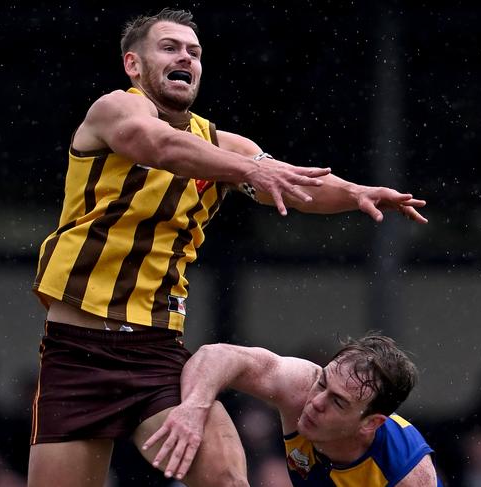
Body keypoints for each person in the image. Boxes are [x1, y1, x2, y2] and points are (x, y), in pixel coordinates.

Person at [28, 7, 428, 487]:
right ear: (134, 64)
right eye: (171, 48)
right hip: (77, 352)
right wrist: (250, 169)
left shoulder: (223, 146)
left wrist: (354, 194)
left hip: (157, 352)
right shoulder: (116, 108)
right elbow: (156, 144)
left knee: (225, 480)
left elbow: (295, 184)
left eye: (194, 53)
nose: (186, 58)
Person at [144, 334, 439, 486]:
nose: (316, 402)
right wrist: (194, 409)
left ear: (371, 423)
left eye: (337, 402)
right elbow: (217, 355)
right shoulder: (301, 385)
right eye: (322, 383)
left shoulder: (408, 475)